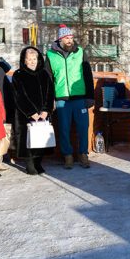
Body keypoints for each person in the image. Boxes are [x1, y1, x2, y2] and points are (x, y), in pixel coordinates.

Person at [45, 24, 95, 169]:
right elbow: (48, 79)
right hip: (61, 99)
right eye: (67, 38)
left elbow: (88, 75)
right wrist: (50, 100)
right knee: (64, 129)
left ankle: (83, 154)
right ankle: (67, 155)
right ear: (60, 39)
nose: (70, 40)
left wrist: (90, 96)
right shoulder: (50, 55)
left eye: (71, 38)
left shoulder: (80, 52)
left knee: (83, 127)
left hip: (80, 97)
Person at [12, 46, 54, 175]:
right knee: (28, 140)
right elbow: (19, 96)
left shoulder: (44, 74)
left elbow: (50, 93)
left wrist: (46, 110)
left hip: (43, 114)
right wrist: (31, 113)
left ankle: (38, 162)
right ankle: (30, 164)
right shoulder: (18, 75)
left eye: (34, 59)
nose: (32, 61)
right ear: (24, 61)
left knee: (41, 139)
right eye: (29, 59)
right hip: (25, 115)